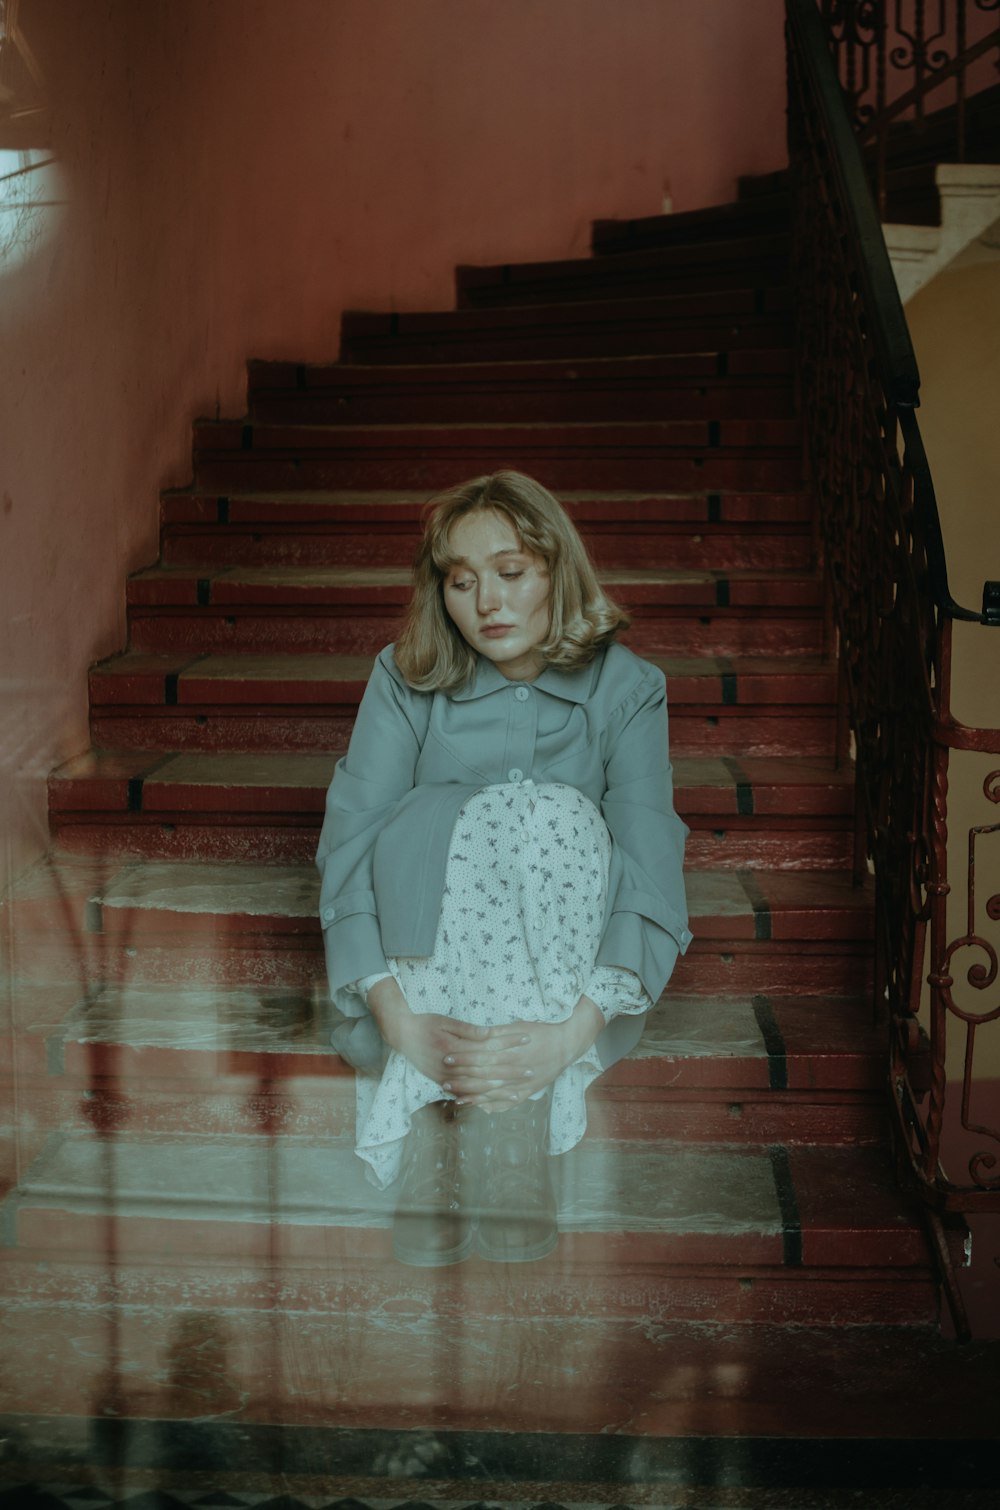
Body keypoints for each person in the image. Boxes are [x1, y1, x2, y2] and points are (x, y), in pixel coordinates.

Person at [316, 471, 691, 1268]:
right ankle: (430, 1124)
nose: (486, 601)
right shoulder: (402, 677)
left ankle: (516, 1123)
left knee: (547, 812)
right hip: (422, 984)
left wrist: (569, 1036)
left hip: (557, 992)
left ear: (558, 570)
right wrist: (397, 1023)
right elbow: (350, 839)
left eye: (511, 573)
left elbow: (651, 857)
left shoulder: (629, 688)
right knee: (446, 815)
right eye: (462, 580)